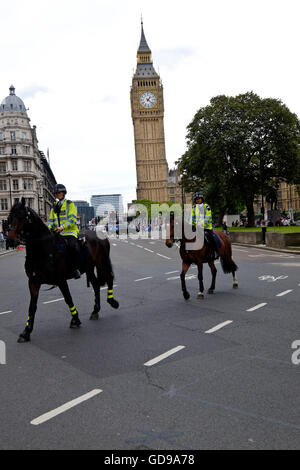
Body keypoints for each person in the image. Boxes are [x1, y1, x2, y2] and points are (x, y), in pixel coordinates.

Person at [48, 184, 81, 279]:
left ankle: (75, 269)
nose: (57, 194)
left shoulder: (70, 204)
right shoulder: (54, 205)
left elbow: (72, 219)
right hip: (58, 233)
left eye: (59, 192)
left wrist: (62, 227)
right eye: (56, 193)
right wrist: (50, 227)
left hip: (70, 232)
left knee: (71, 246)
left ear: (63, 193)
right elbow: (51, 220)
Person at [191, 192, 219, 259]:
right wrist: (192, 222)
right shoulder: (194, 207)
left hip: (206, 228)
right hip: (196, 227)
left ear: (202, 199)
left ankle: (214, 252)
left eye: (199, 198)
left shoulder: (206, 207)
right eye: (196, 199)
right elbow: (192, 217)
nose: (198, 200)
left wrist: (201, 224)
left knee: (211, 238)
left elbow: (208, 217)